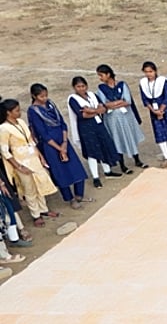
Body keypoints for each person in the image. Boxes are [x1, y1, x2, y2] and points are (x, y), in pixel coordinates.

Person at [27, 84, 88, 208]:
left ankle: (79, 194)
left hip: (63, 140)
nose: (45, 98)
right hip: (50, 145)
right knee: (60, 172)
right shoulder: (33, 111)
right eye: (41, 96)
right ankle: (70, 198)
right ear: (34, 96)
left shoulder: (51, 104)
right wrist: (59, 149)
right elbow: (42, 133)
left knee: (76, 168)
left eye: (46, 95)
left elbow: (62, 123)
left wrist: (64, 143)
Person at [0, 99, 59, 228]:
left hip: (33, 158)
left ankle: (43, 209)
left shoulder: (21, 122)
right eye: (16, 110)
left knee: (40, 184)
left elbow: (31, 141)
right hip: (21, 160)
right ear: (8, 113)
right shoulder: (3, 128)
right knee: (29, 189)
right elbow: (4, 151)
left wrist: (41, 156)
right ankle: (36, 214)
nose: (19, 112)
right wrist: (18, 166)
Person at [67, 76, 125, 185]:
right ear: (74, 87)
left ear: (86, 86)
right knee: (92, 151)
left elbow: (103, 108)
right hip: (86, 127)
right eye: (78, 86)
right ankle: (95, 177)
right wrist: (96, 111)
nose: (81, 89)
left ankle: (107, 170)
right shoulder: (73, 99)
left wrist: (91, 110)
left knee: (104, 145)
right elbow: (82, 115)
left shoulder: (92, 95)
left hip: (98, 124)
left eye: (83, 86)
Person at [94, 65, 146, 169]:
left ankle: (137, 159)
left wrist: (112, 104)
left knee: (129, 136)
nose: (100, 78)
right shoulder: (101, 89)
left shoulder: (122, 85)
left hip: (126, 117)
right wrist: (119, 102)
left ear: (108, 74)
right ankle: (122, 164)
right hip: (112, 119)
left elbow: (128, 101)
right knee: (116, 139)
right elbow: (104, 104)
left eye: (101, 75)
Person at [139, 61, 167, 167]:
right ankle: (166, 156)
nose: (148, 74)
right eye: (146, 72)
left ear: (155, 71)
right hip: (154, 111)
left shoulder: (162, 81)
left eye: (150, 71)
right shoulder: (143, 83)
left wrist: (161, 110)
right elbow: (145, 99)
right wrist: (154, 111)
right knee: (160, 133)